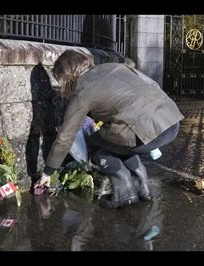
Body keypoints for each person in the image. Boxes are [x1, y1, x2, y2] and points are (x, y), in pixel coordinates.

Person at [33, 50, 184, 208]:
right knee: (117, 142)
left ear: (66, 76)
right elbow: (153, 84)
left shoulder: (83, 90)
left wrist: (48, 172)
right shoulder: (115, 67)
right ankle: (142, 186)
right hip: (171, 122)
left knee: (95, 144)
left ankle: (124, 193)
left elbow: (65, 136)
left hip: (147, 134)